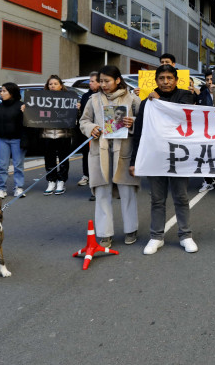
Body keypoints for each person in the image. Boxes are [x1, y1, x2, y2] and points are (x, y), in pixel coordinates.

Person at [130, 64, 198, 255]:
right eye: (162, 78)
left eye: (169, 78)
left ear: (176, 80)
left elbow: (180, 115)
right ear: (156, 80)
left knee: (181, 198)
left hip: (179, 156)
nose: (166, 81)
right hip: (155, 156)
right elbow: (140, 133)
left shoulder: (185, 96)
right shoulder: (146, 102)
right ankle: (156, 237)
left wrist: (158, 101)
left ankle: (186, 235)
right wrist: (134, 161)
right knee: (157, 199)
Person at [79, 65, 141, 248]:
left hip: (125, 151)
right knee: (102, 192)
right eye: (101, 81)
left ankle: (131, 229)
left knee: (127, 191)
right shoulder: (93, 100)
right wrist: (92, 128)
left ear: (117, 80)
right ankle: (105, 234)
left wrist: (133, 122)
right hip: (100, 152)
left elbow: (146, 121)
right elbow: (84, 121)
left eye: (107, 81)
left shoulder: (133, 99)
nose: (103, 85)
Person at [35, 75, 74, 196]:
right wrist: (28, 109)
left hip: (64, 134)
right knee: (49, 158)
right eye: (50, 84)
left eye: (55, 83)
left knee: (63, 158)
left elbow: (73, 117)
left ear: (61, 85)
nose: (53, 86)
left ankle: (61, 181)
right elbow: (36, 115)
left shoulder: (68, 98)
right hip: (47, 133)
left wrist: (76, 109)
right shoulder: (42, 99)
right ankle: (51, 181)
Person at [0, 82, 25, 200]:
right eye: (1, 91)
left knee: (18, 165)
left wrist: (26, 113)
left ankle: (18, 187)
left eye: (4, 91)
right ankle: (1, 189)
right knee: (2, 165)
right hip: (3, 139)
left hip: (17, 139)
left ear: (12, 92)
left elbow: (28, 123)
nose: (1, 93)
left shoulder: (21, 106)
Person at [77, 72, 99, 197]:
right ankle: (87, 175)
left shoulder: (103, 96)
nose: (90, 83)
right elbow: (85, 117)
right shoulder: (86, 96)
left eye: (92, 81)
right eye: (89, 81)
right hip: (89, 131)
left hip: (102, 131)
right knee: (86, 154)